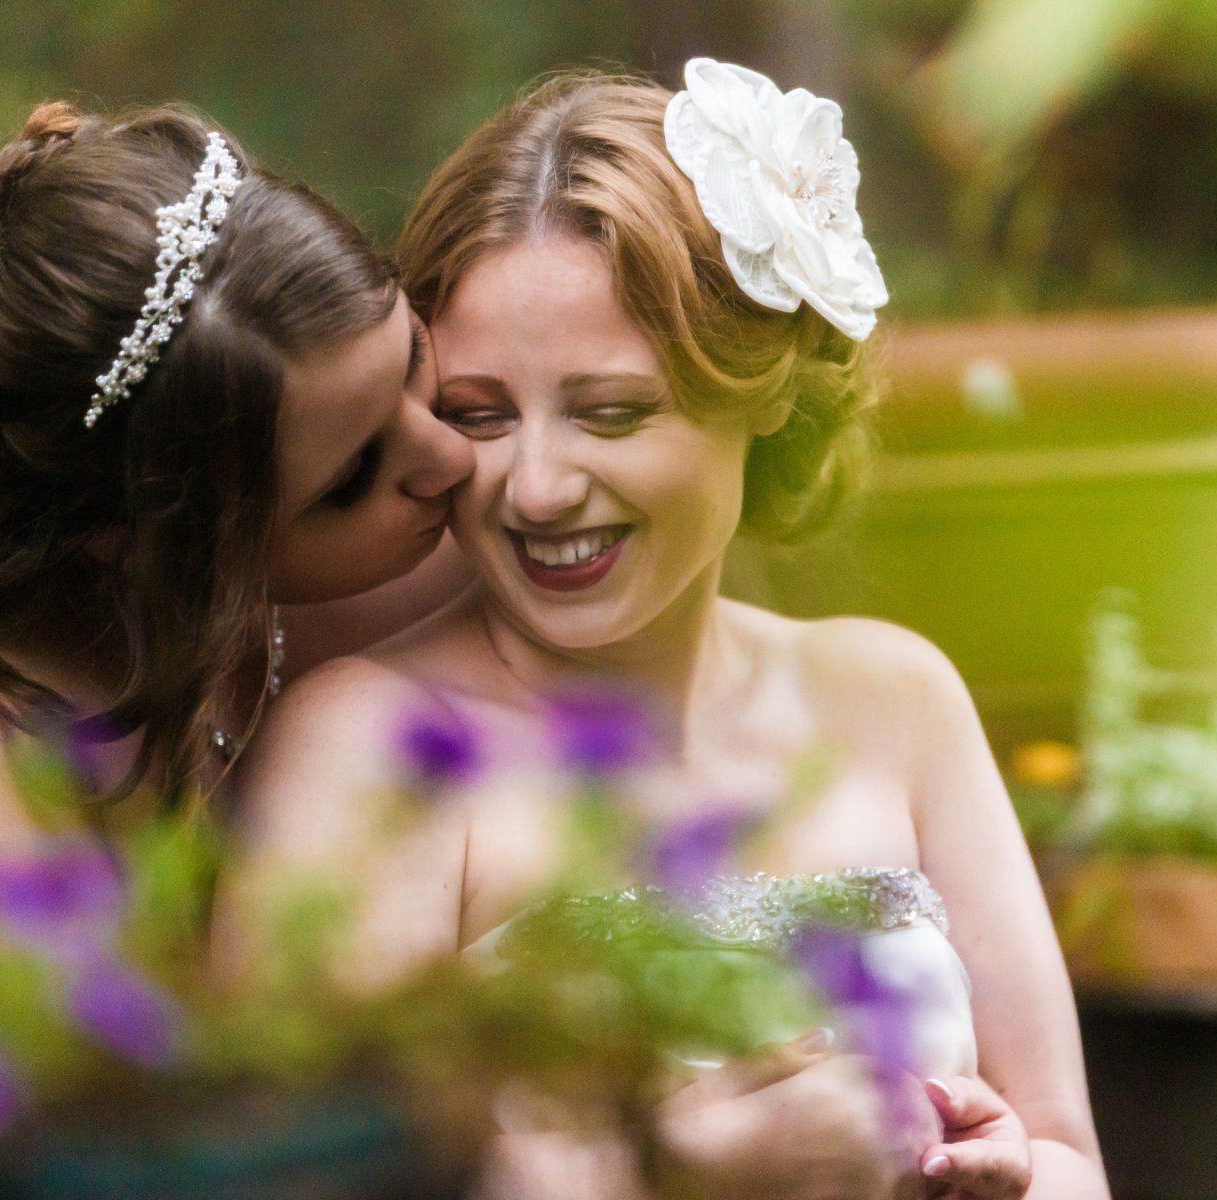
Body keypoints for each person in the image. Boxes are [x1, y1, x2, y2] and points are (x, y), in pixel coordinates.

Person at [220, 62, 1108, 1199]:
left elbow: (1068, 1157)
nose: (536, 488)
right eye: (479, 416)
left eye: (610, 412)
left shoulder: (898, 696)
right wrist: (698, 1163)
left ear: (762, 388)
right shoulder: (373, 743)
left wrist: (997, 1172)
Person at [0, 101, 473, 915]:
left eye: (412, 355)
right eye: (349, 481)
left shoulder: (370, 545)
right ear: (131, 535)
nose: (453, 457)